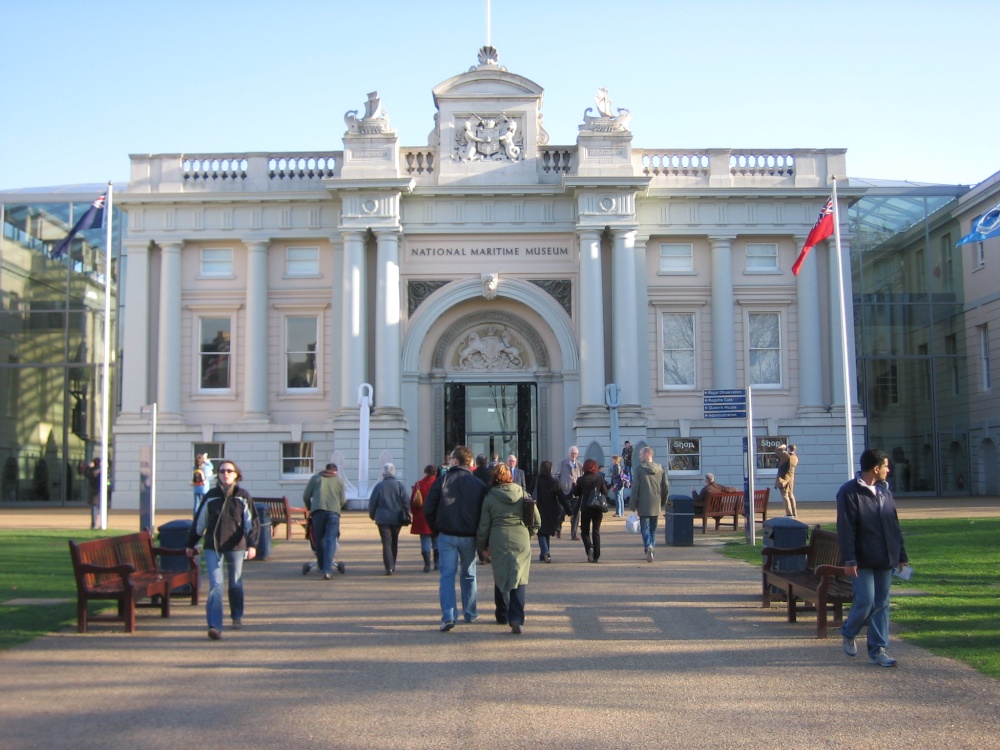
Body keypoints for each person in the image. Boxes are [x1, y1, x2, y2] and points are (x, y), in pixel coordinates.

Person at [837, 448, 909, 667]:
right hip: (862, 558)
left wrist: (901, 555)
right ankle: (849, 631)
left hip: (885, 557)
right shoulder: (849, 492)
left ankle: (878, 650)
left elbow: (893, 525)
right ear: (876, 468)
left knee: (881, 603)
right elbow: (846, 528)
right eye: (886, 466)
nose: (888, 470)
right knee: (867, 600)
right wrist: (849, 560)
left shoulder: (885, 491)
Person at [185, 459, 260, 640]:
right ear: (217, 475)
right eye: (222, 471)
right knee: (215, 586)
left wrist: (252, 545)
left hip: (236, 546)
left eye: (229, 471)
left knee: (235, 583)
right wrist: (191, 543)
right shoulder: (211, 496)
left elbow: (253, 523)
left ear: (236, 475)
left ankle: (236, 616)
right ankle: (214, 625)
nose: (225, 474)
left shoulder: (242, 496)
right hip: (213, 546)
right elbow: (199, 523)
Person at [423, 445, 488, 631]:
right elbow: (484, 514)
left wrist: (437, 529)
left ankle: (449, 616)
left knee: (447, 575)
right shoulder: (479, 485)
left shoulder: (441, 481)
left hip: (447, 534)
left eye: (451, 458)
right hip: (469, 536)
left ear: (456, 461)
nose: (448, 460)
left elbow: (428, 508)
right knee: (469, 574)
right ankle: (470, 612)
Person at [477, 463, 540, 634]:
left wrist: (481, 546)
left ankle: (502, 614)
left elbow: (484, 525)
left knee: (501, 575)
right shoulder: (522, 493)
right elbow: (536, 520)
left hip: (498, 537)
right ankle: (517, 617)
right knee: (519, 578)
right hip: (520, 537)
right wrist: (529, 535)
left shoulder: (490, 498)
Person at [302, 463, 347, 579]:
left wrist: (310, 507)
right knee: (330, 540)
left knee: (318, 540)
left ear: (325, 469)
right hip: (333, 513)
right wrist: (338, 507)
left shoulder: (316, 478)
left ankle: (321, 566)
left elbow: (306, 496)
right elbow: (343, 500)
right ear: (335, 471)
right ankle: (328, 570)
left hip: (317, 512)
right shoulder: (339, 481)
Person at [628, 446, 670, 562]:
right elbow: (666, 486)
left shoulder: (640, 469)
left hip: (643, 502)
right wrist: (663, 501)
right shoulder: (661, 469)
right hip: (656, 502)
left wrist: (632, 506)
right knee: (653, 529)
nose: (639, 456)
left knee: (645, 528)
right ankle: (652, 548)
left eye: (641, 454)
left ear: (647, 454)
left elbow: (635, 488)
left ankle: (648, 546)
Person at [368, 463, 409, 575]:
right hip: (397, 518)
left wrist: (372, 515)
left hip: (383, 518)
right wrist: (406, 513)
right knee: (394, 541)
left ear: (383, 474)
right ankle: (393, 564)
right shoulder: (400, 485)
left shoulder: (379, 486)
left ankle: (388, 567)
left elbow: (372, 503)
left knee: (386, 542)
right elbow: (406, 502)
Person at [572, 458, 610, 563]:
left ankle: (589, 548)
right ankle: (596, 555)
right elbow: (605, 492)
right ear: (595, 468)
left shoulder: (581, 479)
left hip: (585, 508)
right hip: (597, 508)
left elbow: (576, 493)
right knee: (596, 531)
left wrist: (574, 484)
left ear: (584, 468)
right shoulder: (599, 479)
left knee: (585, 532)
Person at [532, 460, 569, 563]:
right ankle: (545, 553)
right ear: (550, 469)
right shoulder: (554, 481)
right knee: (546, 532)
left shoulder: (537, 480)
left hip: (539, 509)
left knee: (541, 533)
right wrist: (569, 511)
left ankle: (545, 552)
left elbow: (530, 494)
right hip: (552, 510)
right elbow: (561, 497)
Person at [410, 464, 438, 573]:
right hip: (436, 516)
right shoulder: (439, 483)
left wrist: (414, 514)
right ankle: (437, 563)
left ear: (425, 472)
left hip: (423, 516)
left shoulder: (418, 485)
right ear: (435, 472)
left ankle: (427, 565)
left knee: (425, 541)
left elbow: (413, 502)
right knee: (436, 541)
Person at [554, 446, 583, 540]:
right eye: (572, 453)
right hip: (564, 492)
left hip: (576, 493)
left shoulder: (579, 465)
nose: (573, 455)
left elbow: (582, 477)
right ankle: (558, 528)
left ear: (577, 455)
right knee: (562, 512)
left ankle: (574, 534)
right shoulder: (562, 463)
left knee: (576, 514)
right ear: (568, 454)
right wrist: (559, 487)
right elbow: (556, 476)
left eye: (575, 454)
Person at [775, 444, 799, 517]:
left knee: (785, 495)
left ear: (788, 449)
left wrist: (783, 446)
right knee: (791, 495)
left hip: (783, 479)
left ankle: (789, 514)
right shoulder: (795, 458)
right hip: (791, 479)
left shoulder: (786, 456)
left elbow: (777, 450)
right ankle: (794, 513)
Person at [83, 458, 102, 529]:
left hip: (94, 492)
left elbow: (85, 473)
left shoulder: (92, 471)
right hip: (99, 492)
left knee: (94, 508)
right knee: (100, 509)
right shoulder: (100, 470)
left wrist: (88, 466)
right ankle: (100, 523)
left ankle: (94, 524)